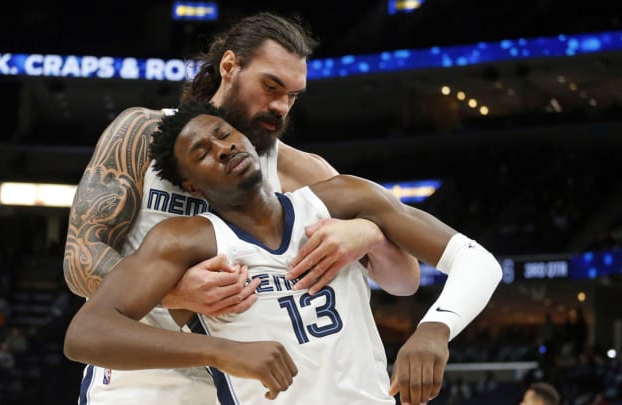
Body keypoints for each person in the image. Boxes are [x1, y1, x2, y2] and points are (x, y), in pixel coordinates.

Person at [63, 11, 421, 404]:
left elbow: (404, 280)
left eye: (293, 96)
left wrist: (368, 234)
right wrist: (175, 293)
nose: (282, 107)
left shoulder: (305, 173)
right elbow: (80, 258)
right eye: (271, 87)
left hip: (252, 383)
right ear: (230, 66)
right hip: (143, 377)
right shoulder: (141, 134)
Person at [64, 101, 503, 404]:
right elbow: (86, 334)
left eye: (224, 134)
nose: (223, 148)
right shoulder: (188, 241)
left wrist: (435, 329)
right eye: (203, 152)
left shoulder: (341, 199)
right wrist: (218, 351)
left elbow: (476, 261)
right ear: (193, 186)